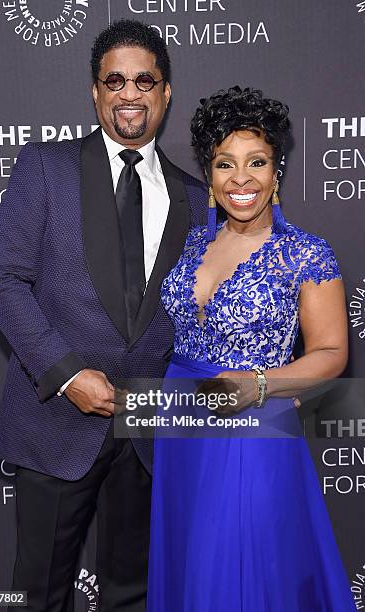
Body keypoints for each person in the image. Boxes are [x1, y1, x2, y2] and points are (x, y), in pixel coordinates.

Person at [0, 19, 206, 612]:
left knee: (133, 593)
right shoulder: (45, 168)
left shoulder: (194, 194)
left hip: (148, 433)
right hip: (56, 422)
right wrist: (66, 372)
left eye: (144, 81)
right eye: (115, 81)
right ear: (95, 91)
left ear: (165, 92)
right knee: (39, 594)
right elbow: (2, 280)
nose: (129, 94)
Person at [146, 86, 355, 611]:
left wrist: (260, 383)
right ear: (210, 175)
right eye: (224, 164)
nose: (241, 179)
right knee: (190, 563)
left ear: (276, 171)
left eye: (256, 162)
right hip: (181, 427)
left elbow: (332, 352)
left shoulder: (305, 253)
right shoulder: (196, 241)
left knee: (245, 571)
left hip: (255, 425)